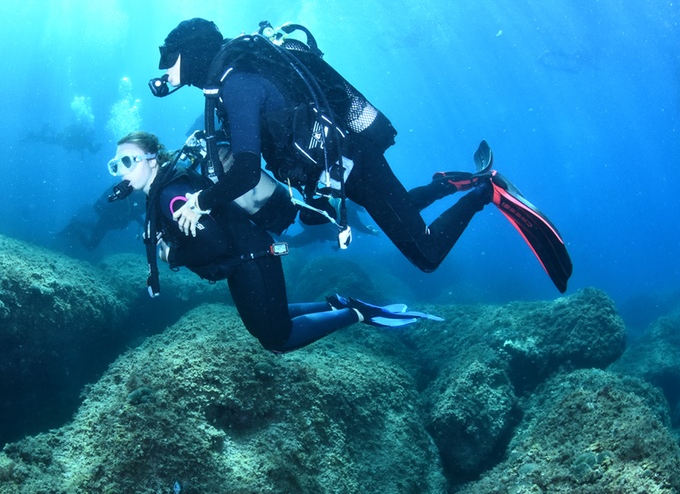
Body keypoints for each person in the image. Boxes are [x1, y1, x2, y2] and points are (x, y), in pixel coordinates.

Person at [150, 19, 573, 293]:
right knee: (399, 205)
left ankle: (488, 191)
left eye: (170, 62)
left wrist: (200, 201)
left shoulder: (236, 84)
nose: (165, 74)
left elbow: (244, 172)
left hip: (355, 163)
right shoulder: (237, 78)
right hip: (346, 168)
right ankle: (452, 181)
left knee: (425, 255)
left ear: (190, 53)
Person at [109, 131, 443, 352]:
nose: (121, 171)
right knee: (274, 320)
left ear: (152, 158)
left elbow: (215, 244)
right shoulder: (167, 189)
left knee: (276, 338)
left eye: (128, 161)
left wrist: (173, 255)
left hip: (251, 259)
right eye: (115, 165)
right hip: (252, 257)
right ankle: (337, 303)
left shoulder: (169, 192)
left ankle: (355, 312)